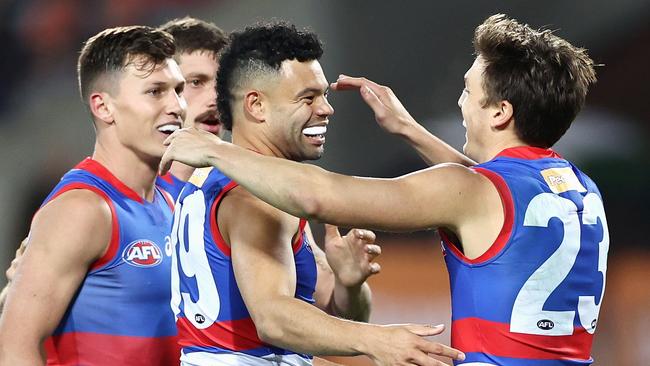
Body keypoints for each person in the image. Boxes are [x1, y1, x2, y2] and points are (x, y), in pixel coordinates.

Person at [161, 14, 608, 365]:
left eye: (469, 91)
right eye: (307, 97)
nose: (460, 102)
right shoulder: (580, 189)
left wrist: (216, 151)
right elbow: (489, 191)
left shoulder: (472, 190)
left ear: (500, 112)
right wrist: (408, 129)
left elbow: (321, 195)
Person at [167, 22, 464, 366]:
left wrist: (349, 285)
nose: (326, 109)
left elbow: (333, 312)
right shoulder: (255, 196)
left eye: (323, 94)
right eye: (307, 98)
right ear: (256, 105)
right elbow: (275, 319)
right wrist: (379, 340)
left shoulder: (236, 181)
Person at [0, 26, 185, 365]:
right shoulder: (83, 209)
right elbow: (13, 348)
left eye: (178, 90)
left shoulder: (170, 203)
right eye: (156, 92)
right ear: (103, 107)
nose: (176, 106)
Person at [156, 17, 228, 198]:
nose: (215, 98)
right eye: (196, 82)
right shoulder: (127, 196)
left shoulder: (245, 193)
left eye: (222, 85)